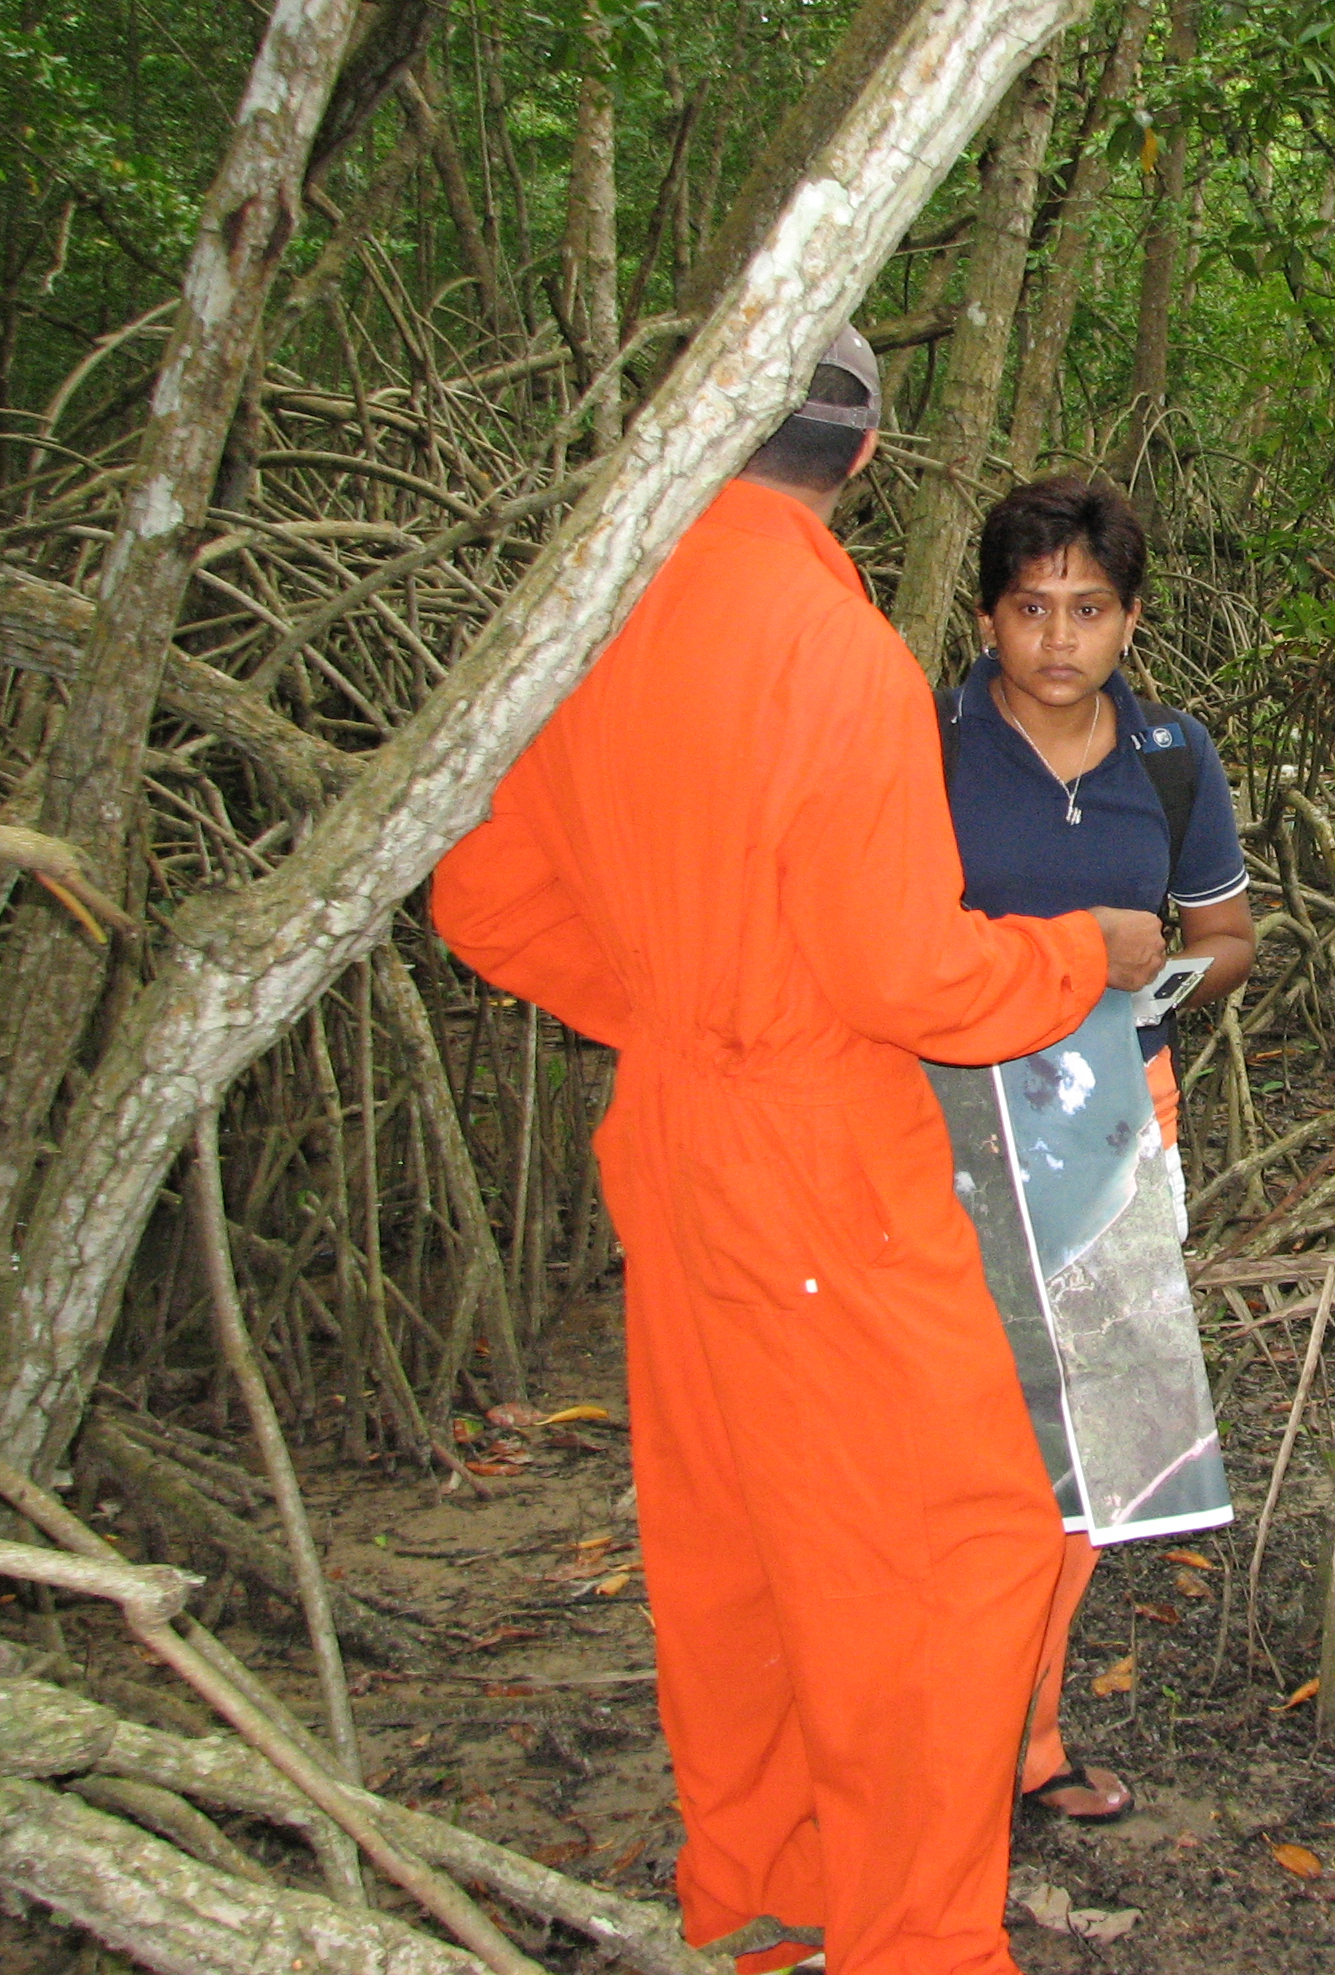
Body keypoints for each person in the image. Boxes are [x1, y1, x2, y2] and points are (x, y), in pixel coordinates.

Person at [429, 328, 1166, 1975]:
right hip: (816, 1152)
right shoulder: (823, 649)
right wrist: (1081, 958)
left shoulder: (595, 614)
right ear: (869, 458)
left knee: (735, 1538)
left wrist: (687, 1001)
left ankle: (762, 1908)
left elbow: (476, 896)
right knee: (953, 1545)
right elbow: (904, 977)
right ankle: (914, 1943)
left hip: (679, 1139)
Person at [938, 474, 1256, 1825]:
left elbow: (1227, 937)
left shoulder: (1172, 755)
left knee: (1088, 1451)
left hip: (1121, 1124)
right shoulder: (922, 739)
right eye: (1030, 608)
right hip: (941, 1126)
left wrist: (1143, 998)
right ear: (990, 614)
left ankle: (1030, 1735)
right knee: (947, 1437)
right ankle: (925, 1730)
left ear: (1132, 620)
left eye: (1088, 609)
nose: (1056, 638)